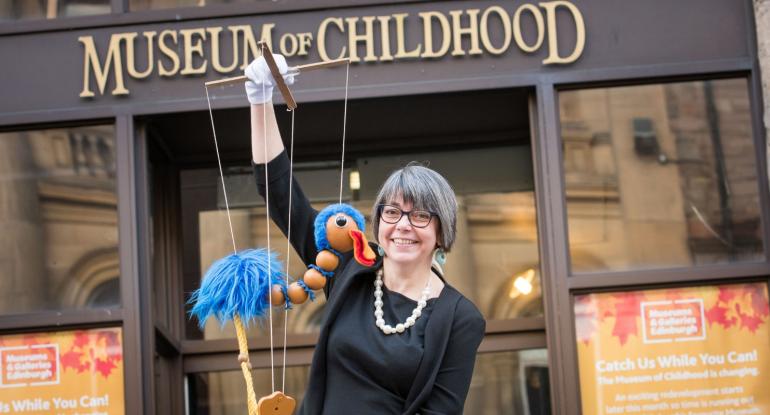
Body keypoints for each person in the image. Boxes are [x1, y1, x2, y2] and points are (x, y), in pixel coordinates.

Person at [246, 55, 485, 415]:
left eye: (420, 215)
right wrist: (260, 100)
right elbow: (281, 197)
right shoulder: (347, 265)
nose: (403, 224)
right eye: (392, 212)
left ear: (441, 230)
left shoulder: (460, 318)